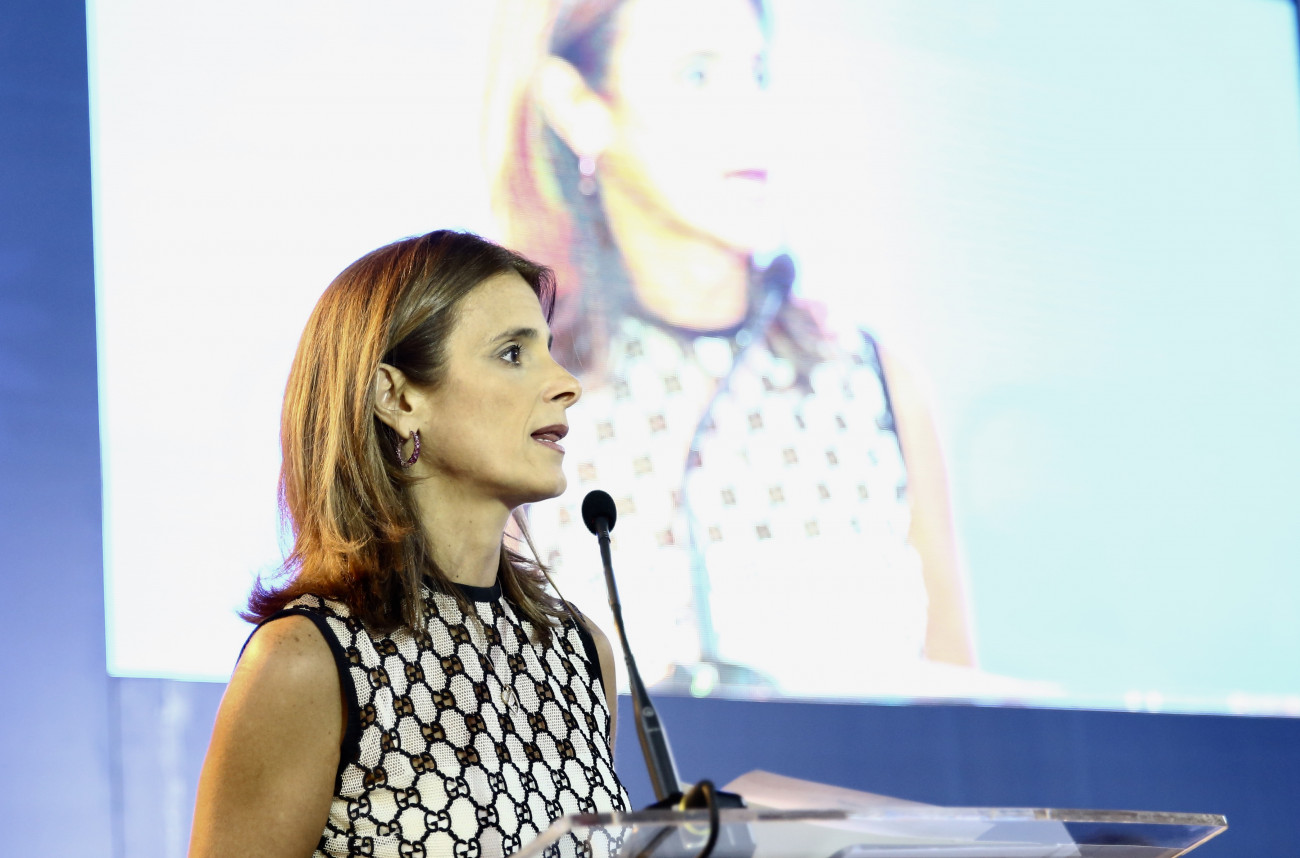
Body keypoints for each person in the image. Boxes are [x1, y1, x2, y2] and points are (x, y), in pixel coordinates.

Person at [484, 0, 975, 698]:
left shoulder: (876, 381)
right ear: (579, 106)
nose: (752, 116)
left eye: (757, 73)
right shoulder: (520, 398)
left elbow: (964, 721)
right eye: (698, 75)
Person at [189, 231, 628, 858]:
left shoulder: (580, 654)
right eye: (512, 353)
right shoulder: (305, 662)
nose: (566, 384)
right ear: (396, 398)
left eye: (550, 351)